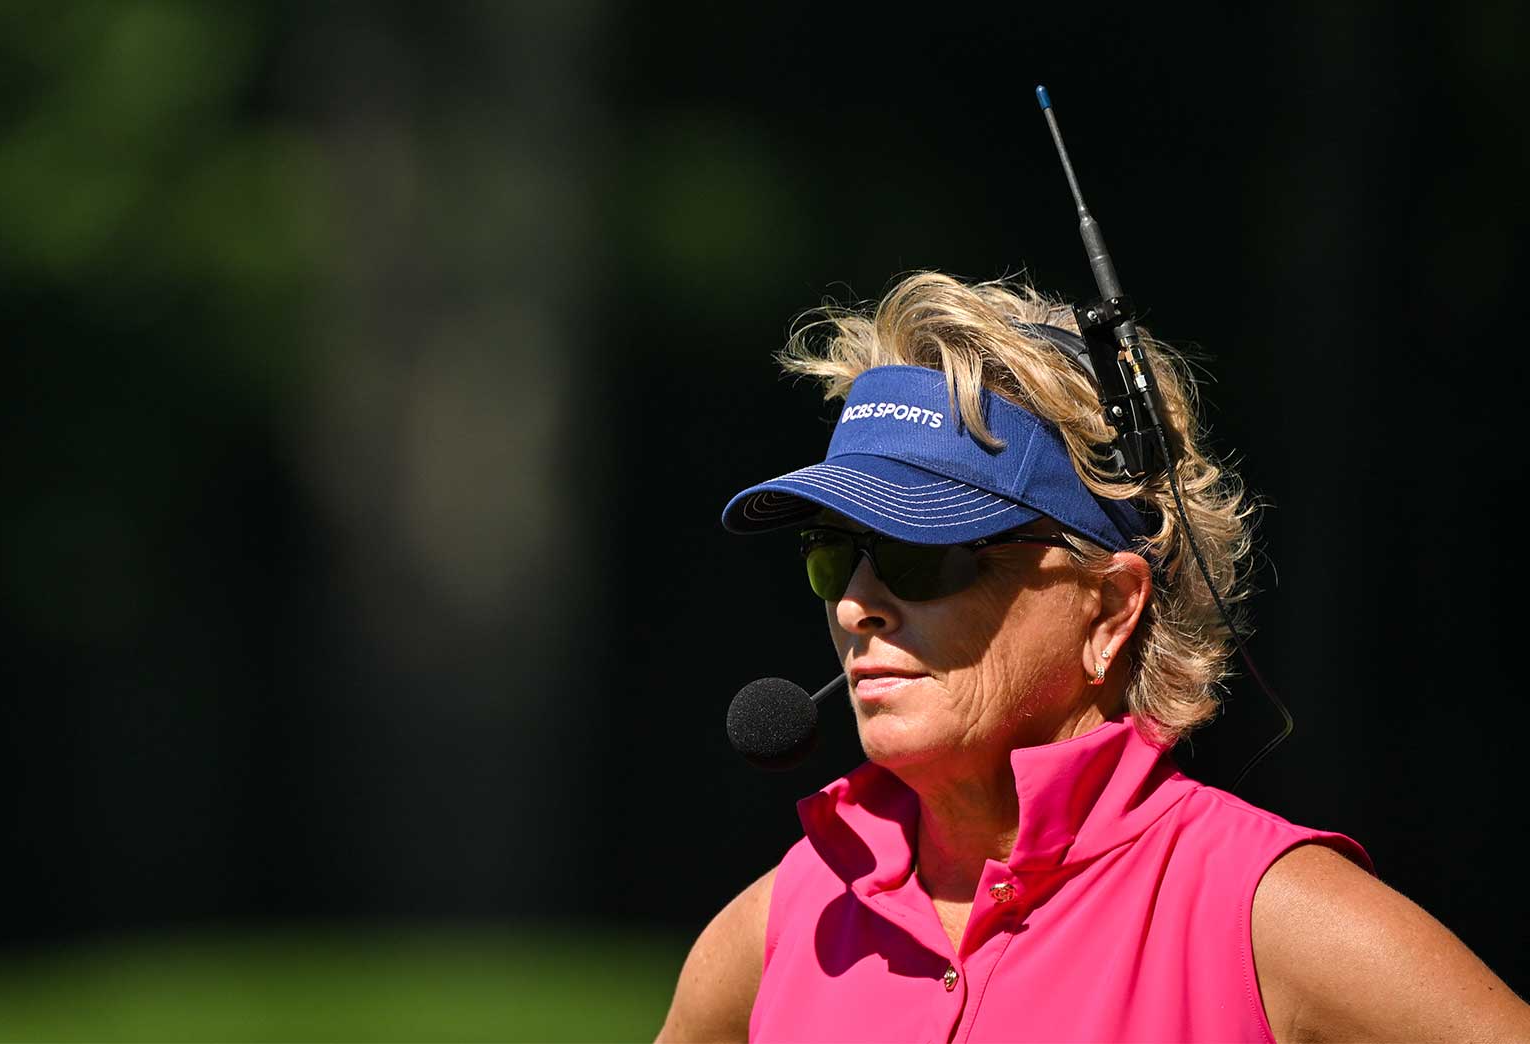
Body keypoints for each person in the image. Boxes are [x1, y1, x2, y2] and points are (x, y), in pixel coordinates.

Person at [655, 272, 1530, 1043]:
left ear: (1108, 608)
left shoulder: (1269, 917)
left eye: (922, 555)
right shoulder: (781, 925)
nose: (854, 603)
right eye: (833, 554)